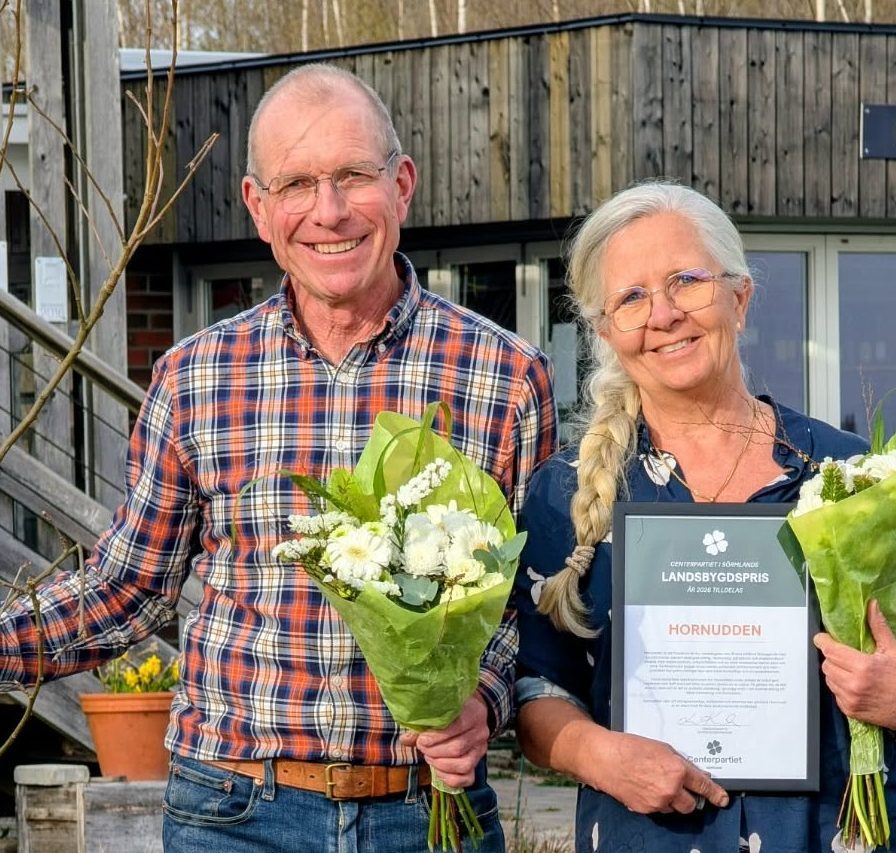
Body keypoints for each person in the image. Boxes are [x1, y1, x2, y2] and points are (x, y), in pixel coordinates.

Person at [0, 63, 557, 853]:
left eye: (352, 176)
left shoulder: (504, 374)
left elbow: (523, 608)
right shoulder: (195, 376)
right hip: (233, 813)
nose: (327, 212)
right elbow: (127, 589)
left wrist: (486, 700)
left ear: (401, 185)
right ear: (260, 208)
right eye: (297, 184)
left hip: (428, 812)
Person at [513, 181, 896, 852]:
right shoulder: (563, 495)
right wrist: (599, 755)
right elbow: (537, 691)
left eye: (685, 281)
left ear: (737, 299)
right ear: (605, 332)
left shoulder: (848, 472)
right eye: (631, 297)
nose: (663, 314)